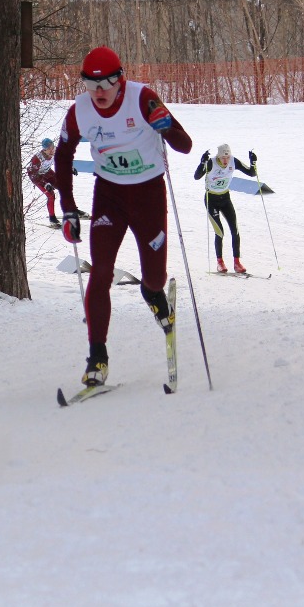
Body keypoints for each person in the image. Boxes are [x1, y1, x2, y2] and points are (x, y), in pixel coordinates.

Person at [52, 46, 192, 386]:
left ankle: (153, 293)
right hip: (110, 196)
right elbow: (62, 155)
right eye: (91, 84)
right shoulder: (79, 111)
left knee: (154, 276)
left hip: (148, 194)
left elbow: (185, 145)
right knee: (100, 272)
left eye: (107, 83)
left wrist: (167, 126)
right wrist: (68, 207)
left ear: (121, 80)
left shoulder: (142, 98)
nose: (99, 92)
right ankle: (97, 357)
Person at [193, 143, 257, 273]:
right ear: (218, 156)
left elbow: (251, 173)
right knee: (220, 232)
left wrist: (253, 161)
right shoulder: (211, 163)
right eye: (223, 157)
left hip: (225, 199)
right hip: (211, 200)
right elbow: (196, 176)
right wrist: (202, 163)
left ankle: (237, 262)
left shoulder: (233, 161)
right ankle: (220, 262)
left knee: (235, 230)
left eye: (227, 157)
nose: (225, 160)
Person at [27, 137, 61, 228]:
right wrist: (45, 184)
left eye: (52, 147)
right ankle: (52, 218)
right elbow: (33, 175)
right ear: (44, 149)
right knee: (51, 195)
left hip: (47, 172)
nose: (51, 150)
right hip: (36, 176)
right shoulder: (37, 158)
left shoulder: (56, 151)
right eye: (48, 149)